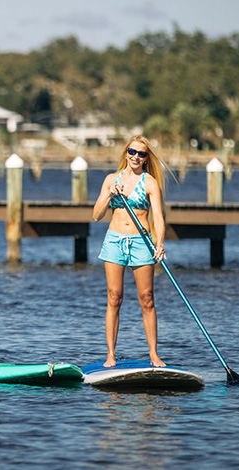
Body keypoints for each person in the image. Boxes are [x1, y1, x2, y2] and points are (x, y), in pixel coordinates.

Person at [92, 135, 168, 368]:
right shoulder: (111, 179)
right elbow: (96, 215)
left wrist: (160, 243)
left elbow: (158, 216)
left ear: (146, 159)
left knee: (147, 299)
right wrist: (110, 195)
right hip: (115, 242)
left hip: (142, 243)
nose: (136, 156)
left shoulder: (150, 182)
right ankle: (111, 355)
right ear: (126, 153)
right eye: (132, 152)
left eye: (141, 154)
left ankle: (154, 355)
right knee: (114, 298)